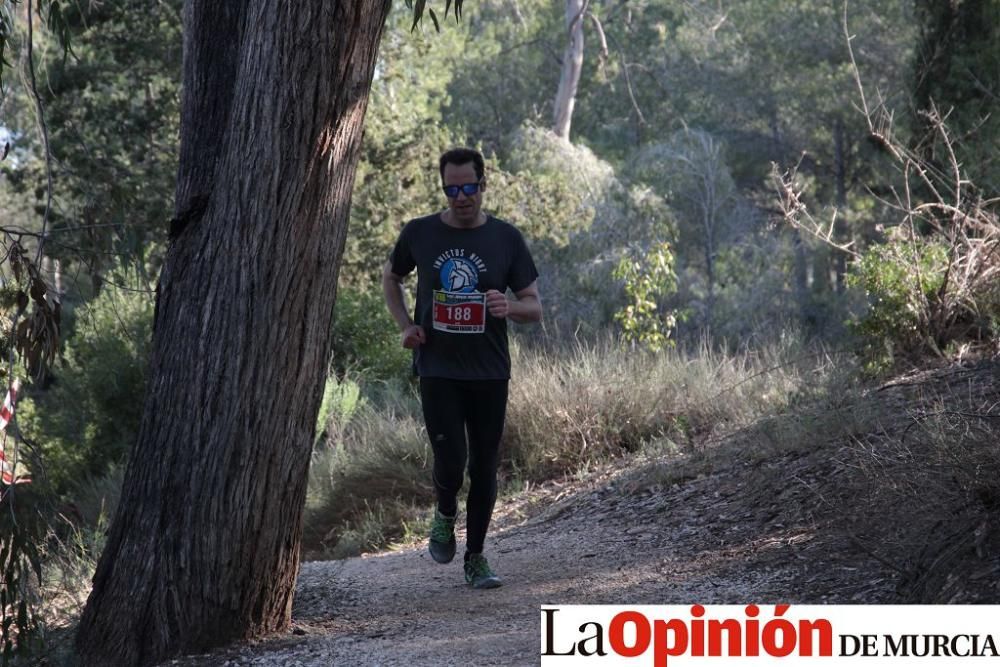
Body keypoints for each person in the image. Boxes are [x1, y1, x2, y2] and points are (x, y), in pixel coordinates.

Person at [382, 148, 542, 589]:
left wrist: (507, 305)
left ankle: (475, 558)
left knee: (485, 465)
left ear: (483, 184)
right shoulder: (420, 233)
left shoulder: (506, 239)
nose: (461, 197)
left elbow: (535, 306)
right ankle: (445, 508)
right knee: (450, 458)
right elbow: (391, 277)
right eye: (452, 189)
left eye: (468, 187)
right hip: (438, 367)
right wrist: (406, 325)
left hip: (489, 371)